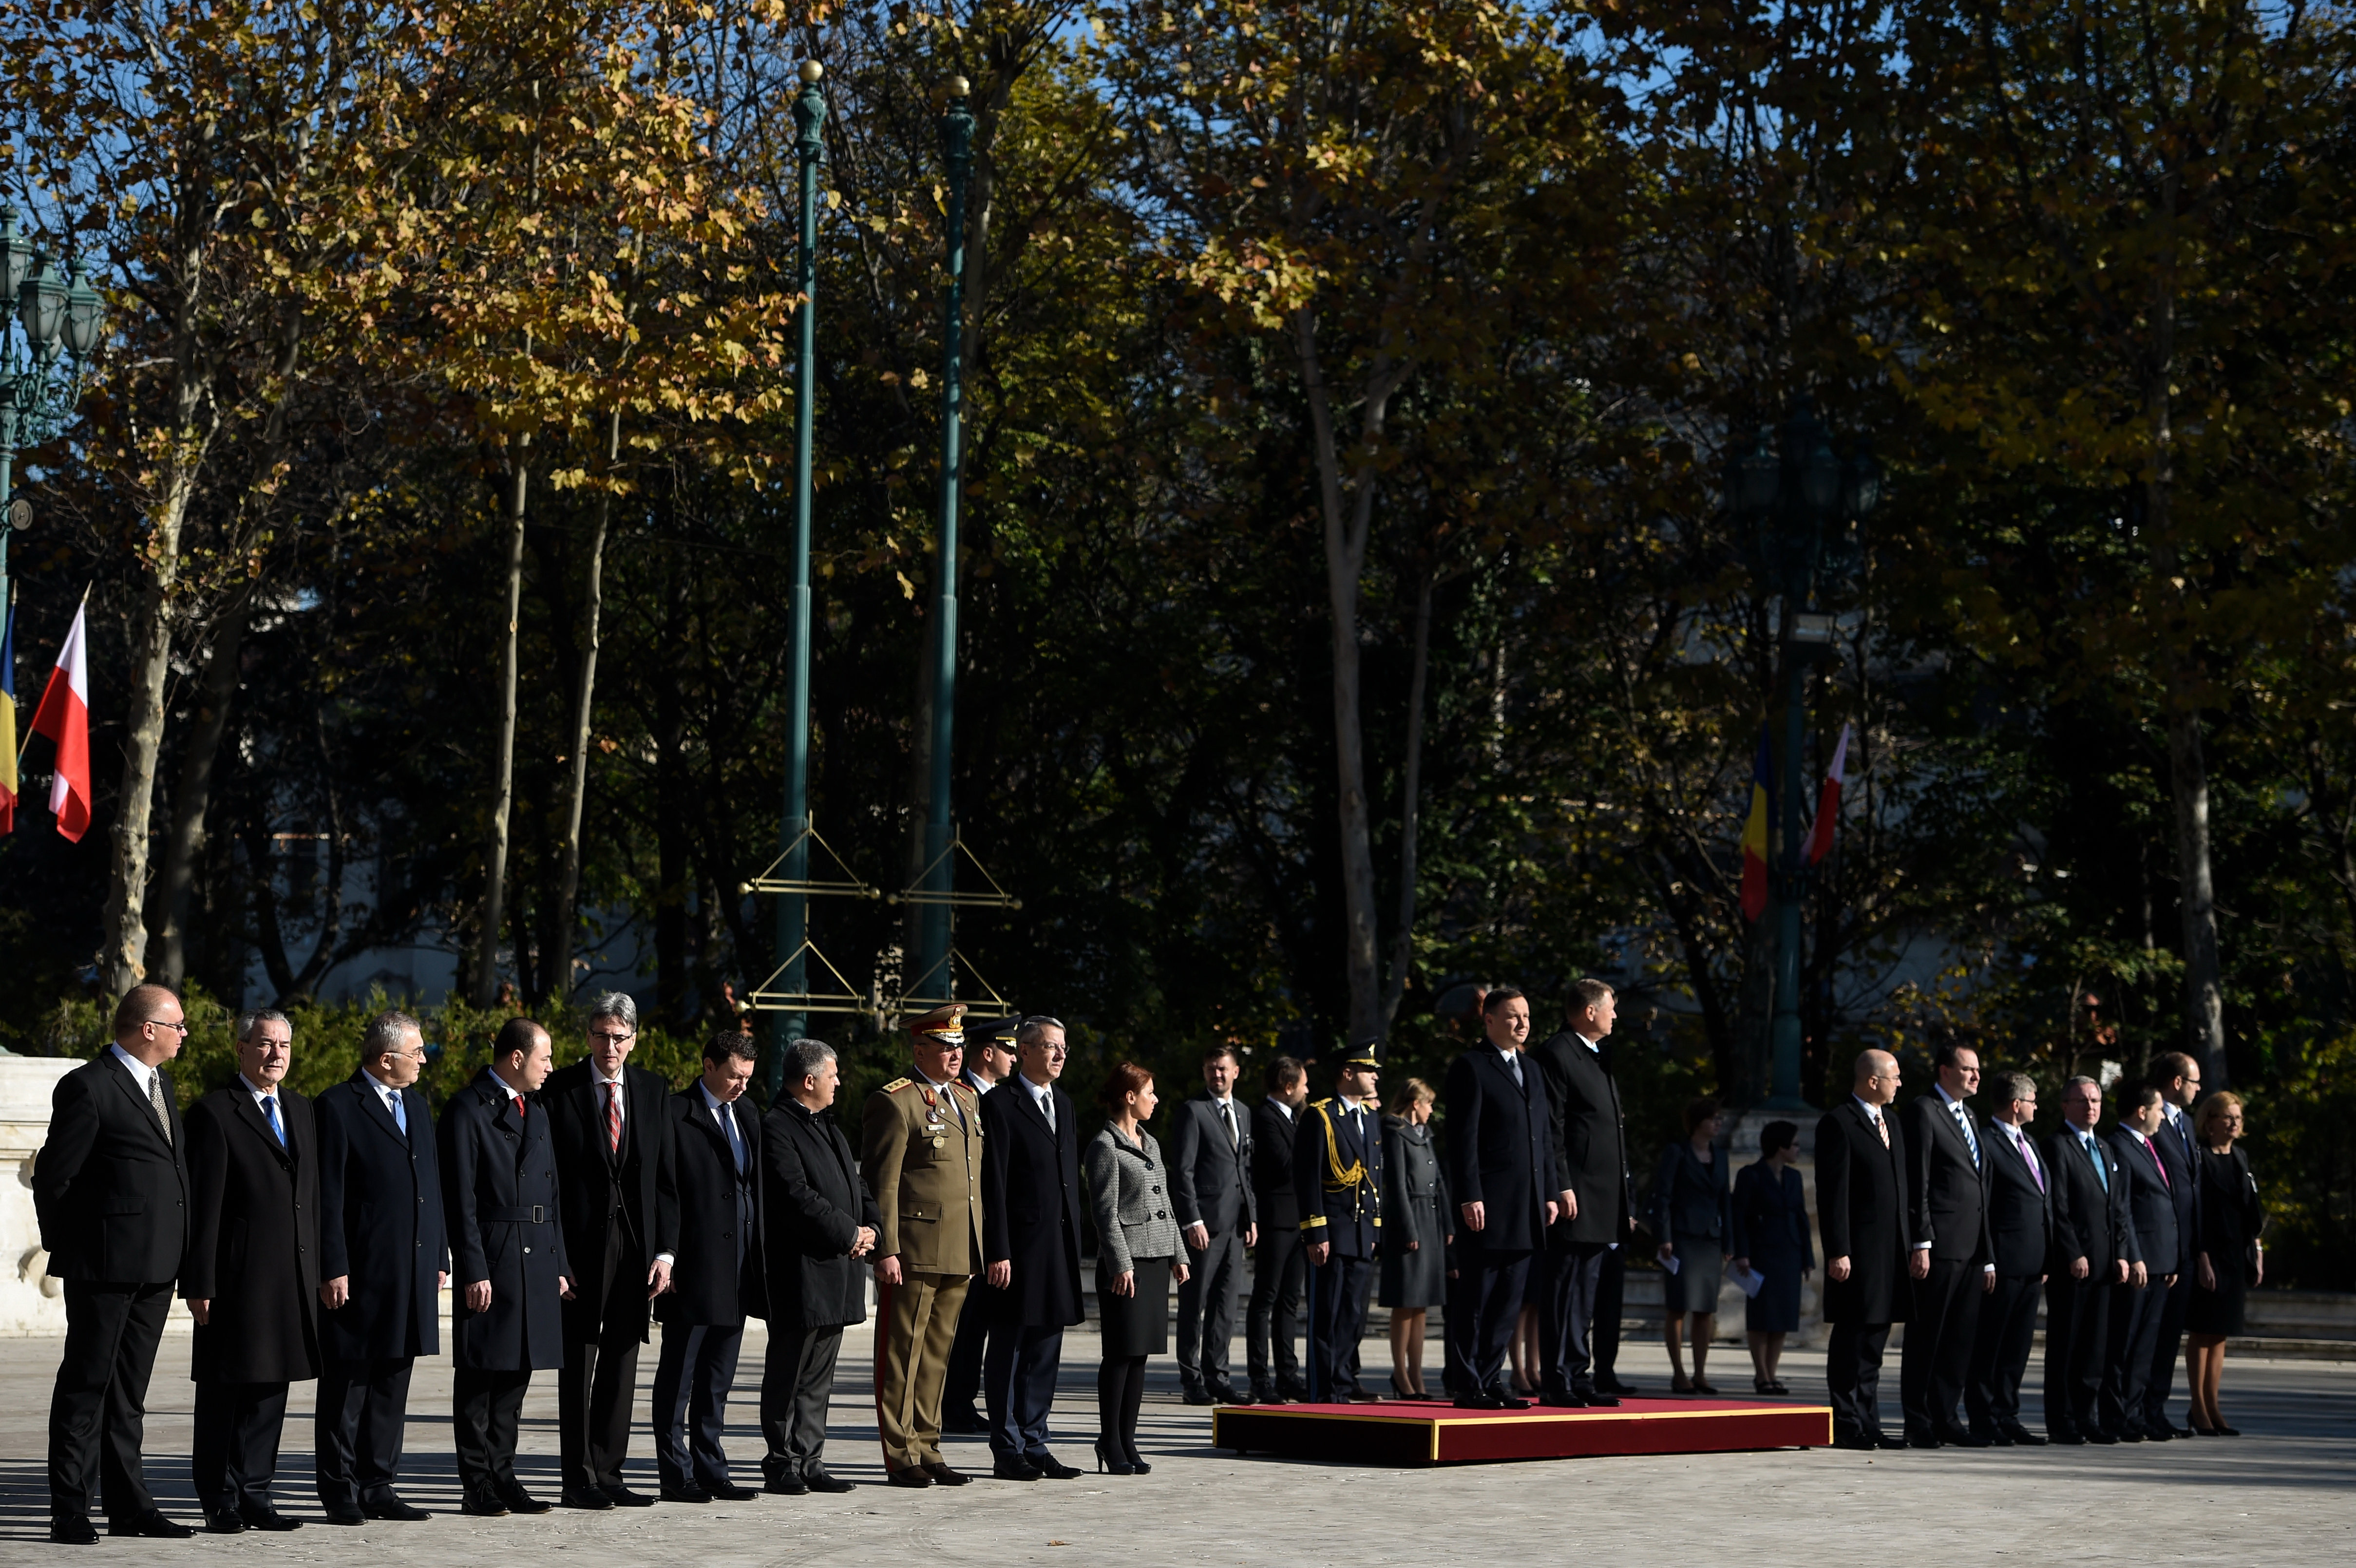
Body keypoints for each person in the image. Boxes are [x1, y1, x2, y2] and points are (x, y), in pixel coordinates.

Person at [37, 982, 196, 1545]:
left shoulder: (159, 1083)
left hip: (157, 1266)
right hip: (102, 1267)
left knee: (129, 1394)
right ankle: (70, 1510)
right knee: (87, 1387)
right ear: (148, 1029)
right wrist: (73, 1248)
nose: (184, 1034)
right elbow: (55, 1176)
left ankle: (130, 1507)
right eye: (178, 1025)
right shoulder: (88, 1085)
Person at [182, 1009, 319, 1534]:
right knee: (226, 1391)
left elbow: (312, 1196)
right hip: (236, 1278)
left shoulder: (301, 1109)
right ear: (241, 1049)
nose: (276, 1054)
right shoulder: (215, 1112)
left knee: (272, 1388)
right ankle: (219, 1497)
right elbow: (204, 1206)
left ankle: (257, 1492)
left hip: (291, 1276)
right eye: (265, 1043)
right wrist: (200, 1281)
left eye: (284, 1044)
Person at [543, 992, 678, 1510]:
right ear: (588, 1036)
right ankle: (577, 1478)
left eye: (620, 1037)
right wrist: (556, 1256)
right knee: (578, 1362)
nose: (610, 1046)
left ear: (634, 1040)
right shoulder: (560, 1089)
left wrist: (666, 1253)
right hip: (580, 1249)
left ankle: (609, 1471)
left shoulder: (652, 1089)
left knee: (623, 1358)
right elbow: (549, 1180)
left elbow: (666, 1179)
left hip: (637, 1248)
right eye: (601, 1035)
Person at [314, 1009, 446, 1524]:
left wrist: (439, 1254)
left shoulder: (417, 1104)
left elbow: (430, 1184)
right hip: (360, 1271)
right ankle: (339, 1489)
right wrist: (332, 1264)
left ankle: (379, 1484)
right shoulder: (338, 1105)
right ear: (387, 1058)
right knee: (349, 1385)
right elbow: (328, 1194)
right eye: (417, 1051)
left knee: (394, 1380)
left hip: (412, 1267)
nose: (423, 1060)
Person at [441, 1017, 575, 1517]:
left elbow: (553, 1194)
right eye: (545, 1058)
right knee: (481, 1374)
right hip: (494, 1256)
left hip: (536, 1255)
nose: (551, 1067)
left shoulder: (536, 1110)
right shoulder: (466, 1109)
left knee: (517, 1374)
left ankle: (504, 1473)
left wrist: (559, 1263)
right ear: (517, 1058)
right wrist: (473, 1267)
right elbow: (460, 1199)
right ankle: (476, 1482)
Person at [863, 1003, 985, 1488]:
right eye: (945, 1047)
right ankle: (901, 1453)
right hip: (913, 1251)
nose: (956, 1055)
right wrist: (886, 1249)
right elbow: (883, 1183)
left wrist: (979, 1244)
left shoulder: (966, 1099)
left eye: (959, 1047)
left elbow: (971, 1182)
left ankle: (929, 1446)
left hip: (958, 1247)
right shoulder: (897, 1102)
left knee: (936, 1355)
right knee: (902, 1356)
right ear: (919, 1051)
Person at [760, 1037, 878, 1494]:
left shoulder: (828, 1124)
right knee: (789, 1373)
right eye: (833, 1075)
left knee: (818, 1376)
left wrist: (872, 1228)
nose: (839, 1082)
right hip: (802, 1273)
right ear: (809, 1080)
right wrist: (849, 1233)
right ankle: (781, 1462)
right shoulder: (778, 1126)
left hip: (837, 1270)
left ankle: (810, 1459)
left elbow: (856, 1183)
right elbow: (795, 1196)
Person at [652, 1032, 766, 1503]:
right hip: (693, 1268)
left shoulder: (748, 1113)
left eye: (748, 1078)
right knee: (679, 1378)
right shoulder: (676, 1113)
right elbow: (663, 1190)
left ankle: (712, 1468)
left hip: (737, 1267)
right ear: (709, 1066)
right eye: (735, 1076)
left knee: (718, 1379)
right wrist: (667, 1254)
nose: (742, 1085)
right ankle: (676, 1473)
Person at [1444, 987, 1562, 1408]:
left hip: (1526, 1205)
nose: (1522, 1023)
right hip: (1488, 1205)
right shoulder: (1472, 1066)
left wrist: (1549, 1192)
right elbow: (1462, 1139)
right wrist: (1469, 1195)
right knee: (1477, 1298)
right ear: (1490, 1020)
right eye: (1513, 1016)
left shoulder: (1531, 1068)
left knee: (1510, 1300)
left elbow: (1543, 1137)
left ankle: (1492, 1377)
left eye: (1526, 1016)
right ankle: (1467, 1382)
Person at [980, 1015, 1087, 1479]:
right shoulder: (1000, 1103)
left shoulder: (1063, 1102)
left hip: (1058, 1245)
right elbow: (994, 1183)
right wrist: (998, 1249)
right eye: (1050, 1046)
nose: (1060, 1054)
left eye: (1063, 1047)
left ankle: (1036, 1440)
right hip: (1019, 1248)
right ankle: (1007, 1448)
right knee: (1010, 1348)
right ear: (1024, 1051)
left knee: (1045, 1347)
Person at [1527, 977, 1633, 1408]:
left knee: (1587, 1290)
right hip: (1577, 1191)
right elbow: (1552, 1125)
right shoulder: (1558, 1053)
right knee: (1562, 1287)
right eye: (1610, 1007)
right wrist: (1562, 1183)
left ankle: (1578, 1372)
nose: (1615, 1015)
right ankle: (1556, 1379)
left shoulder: (1596, 1055)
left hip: (1602, 1193)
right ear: (1590, 1011)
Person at [1083, 1062, 1191, 1474]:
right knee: (1120, 1353)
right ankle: (1109, 1441)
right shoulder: (1104, 1146)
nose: (1156, 1099)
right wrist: (1120, 1263)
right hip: (1126, 1266)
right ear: (1130, 1097)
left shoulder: (1150, 1142)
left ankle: (1127, 1440)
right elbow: (1105, 1213)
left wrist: (1179, 1254)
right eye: (1150, 1092)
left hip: (1156, 1259)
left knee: (1140, 1354)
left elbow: (1165, 1205)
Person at [1816, 1048, 1914, 1450]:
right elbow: (1833, 1193)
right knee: (1852, 1338)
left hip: (1890, 1251)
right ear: (1873, 1080)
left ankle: (1870, 1420)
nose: (1900, 1083)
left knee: (1875, 1341)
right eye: (1895, 1076)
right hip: (1858, 1253)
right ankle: (1846, 1422)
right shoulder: (1839, 1122)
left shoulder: (1892, 1122)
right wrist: (1838, 1249)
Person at [1898, 1042, 1992, 1447]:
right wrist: (1921, 1239)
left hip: (1971, 1247)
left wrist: (1987, 1255)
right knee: (1928, 1336)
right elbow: (1918, 1179)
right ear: (1945, 1071)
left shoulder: (1970, 1115)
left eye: (1977, 1069)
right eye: (1968, 1068)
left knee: (1959, 1339)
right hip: (1939, 1244)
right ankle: (1918, 1419)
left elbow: (1980, 1188)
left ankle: (1947, 1416)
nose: (1976, 1076)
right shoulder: (1925, 1110)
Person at [2043, 1074, 2135, 1444]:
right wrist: (2072, 1252)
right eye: (2082, 1100)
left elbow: (2118, 1209)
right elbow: (2059, 1207)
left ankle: (2087, 1416)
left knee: (2095, 1348)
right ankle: (2062, 1419)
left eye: (2096, 1100)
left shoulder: (2106, 1149)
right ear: (2066, 1105)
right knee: (2067, 1345)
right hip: (2074, 1266)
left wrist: (2122, 1254)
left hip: (2105, 1265)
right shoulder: (2057, 1146)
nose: (2091, 1107)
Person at [1965, 1073, 2053, 1446]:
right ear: (2017, 1104)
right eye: (2033, 1100)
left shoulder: (2029, 1141)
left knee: (2017, 1347)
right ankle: (1984, 1416)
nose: (2037, 1106)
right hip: (2003, 1261)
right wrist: (1987, 1257)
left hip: (2033, 1263)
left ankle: (2008, 1413)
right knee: (1991, 1345)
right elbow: (1983, 1206)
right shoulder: (1987, 1142)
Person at [942, 1014, 1020, 1434]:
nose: (1014, 1058)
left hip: (996, 1229)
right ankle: (953, 1402)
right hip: (965, 1230)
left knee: (981, 1323)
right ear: (988, 1053)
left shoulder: (1003, 1097)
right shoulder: (960, 1095)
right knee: (963, 1323)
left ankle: (964, 1400)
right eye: (1009, 1050)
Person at [1169, 1043, 1257, 1405]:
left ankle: (1218, 1377)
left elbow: (1245, 1169)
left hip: (1235, 1225)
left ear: (1236, 1071)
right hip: (1204, 1226)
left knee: (1226, 1305)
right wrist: (1192, 1219)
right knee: (1195, 1304)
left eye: (1222, 1068)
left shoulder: (1243, 1112)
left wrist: (1251, 1216)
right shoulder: (1194, 1111)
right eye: (1210, 1068)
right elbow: (1183, 1171)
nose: (1216, 1074)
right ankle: (1192, 1380)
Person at [1295, 1052, 1386, 1403]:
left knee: (1353, 1315)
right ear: (1348, 1073)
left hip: (1361, 1231)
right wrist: (1316, 1232)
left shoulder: (1370, 1117)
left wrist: (1375, 1228)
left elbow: (1374, 1177)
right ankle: (1324, 1391)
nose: (1375, 1077)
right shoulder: (1320, 1115)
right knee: (1327, 1315)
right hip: (1332, 1232)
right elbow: (1308, 1177)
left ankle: (1344, 1383)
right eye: (1368, 1070)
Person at [2102, 1084, 2181, 1441]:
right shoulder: (2120, 1145)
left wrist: (2172, 1257)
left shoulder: (2150, 1146)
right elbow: (2124, 1209)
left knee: (2146, 1346)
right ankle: (2116, 1414)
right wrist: (2133, 1255)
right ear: (2141, 1110)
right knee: (2125, 1342)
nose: (2163, 1116)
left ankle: (2136, 1413)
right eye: (2159, 1109)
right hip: (2140, 1262)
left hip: (2160, 1260)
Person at [2185, 1090, 2264, 1436]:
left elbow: (2251, 1210)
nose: (2234, 1123)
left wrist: (2257, 1251)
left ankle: (2213, 1404)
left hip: (2235, 1253)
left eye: (2238, 1118)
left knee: (2221, 1333)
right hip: (2209, 1253)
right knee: (2203, 1329)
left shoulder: (2241, 1158)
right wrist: (2202, 1257)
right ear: (2210, 1121)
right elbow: (2196, 1212)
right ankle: (2198, 1407)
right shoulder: (2199, 1158)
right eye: (2228, 1117)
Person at [2142, 1051, 2204, 1439]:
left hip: (2185, 1247)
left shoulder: (2187, 1123)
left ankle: (2157, 1408)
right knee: (2151, 1334)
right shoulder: (2152, 1120)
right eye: (2195, 1081)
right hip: (2159, 1247)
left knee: (2169, 1338)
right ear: (2177, 1082)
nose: (2199, 1088)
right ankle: (2140, 1409)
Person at [1378, 1078, 1449, 1399]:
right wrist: (1408, 1229)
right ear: (1415, 1103)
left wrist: (1448, 1224)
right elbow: (1396, 1184)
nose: (1432, 1110)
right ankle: (1401, 1374)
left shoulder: (1425, 1135)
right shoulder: (1395, 1132)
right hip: (1409, 1221)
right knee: (1405, 1301)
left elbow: (1439, 1180)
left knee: (1422, 1303)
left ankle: (1417, 1375)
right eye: (1429, 1103)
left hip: (1430, 1220)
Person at [1654, 1097, 1730, 1396]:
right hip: (1682, 1238)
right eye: (1714, 1118)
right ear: (1698, 1122)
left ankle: (1700, 1373)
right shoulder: (1677, 1152)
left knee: (1705, 1309)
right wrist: (1664, 1236)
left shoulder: (1721, 1156)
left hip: (1711, 1240)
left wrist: (1730, 1242)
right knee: (1679, 1306)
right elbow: (1663, 1196)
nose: (1718, 1123)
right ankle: (1679, 1373)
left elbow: (1726, 1201)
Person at [1729, 1119, 1811, 1395]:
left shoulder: (1794, 1177)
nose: (1798, 1149)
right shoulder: (1751, 1175)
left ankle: (1773, 1373)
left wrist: (1807, 1257)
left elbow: (1801, 1218)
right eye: (1794, 1144)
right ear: (1781, 1147)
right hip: (1762, 1253)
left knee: (1783, 1317)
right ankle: (1761, 1375)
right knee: (1762, 1316)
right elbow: (1739, 1217)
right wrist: (1742, 1253)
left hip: (1790, 1252)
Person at [1247, 1056, 1311, 1403]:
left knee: (1289, 1301)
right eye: (1303, 1084)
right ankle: (1260, 1376)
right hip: (1275, 1220)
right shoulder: (1265, 1118)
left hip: (1297, 1219)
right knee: (1265, 1298)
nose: (1307, 1091)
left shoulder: (1292, 1117)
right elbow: (1284, 1164)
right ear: (1288, 1087)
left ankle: (1288, 1374)